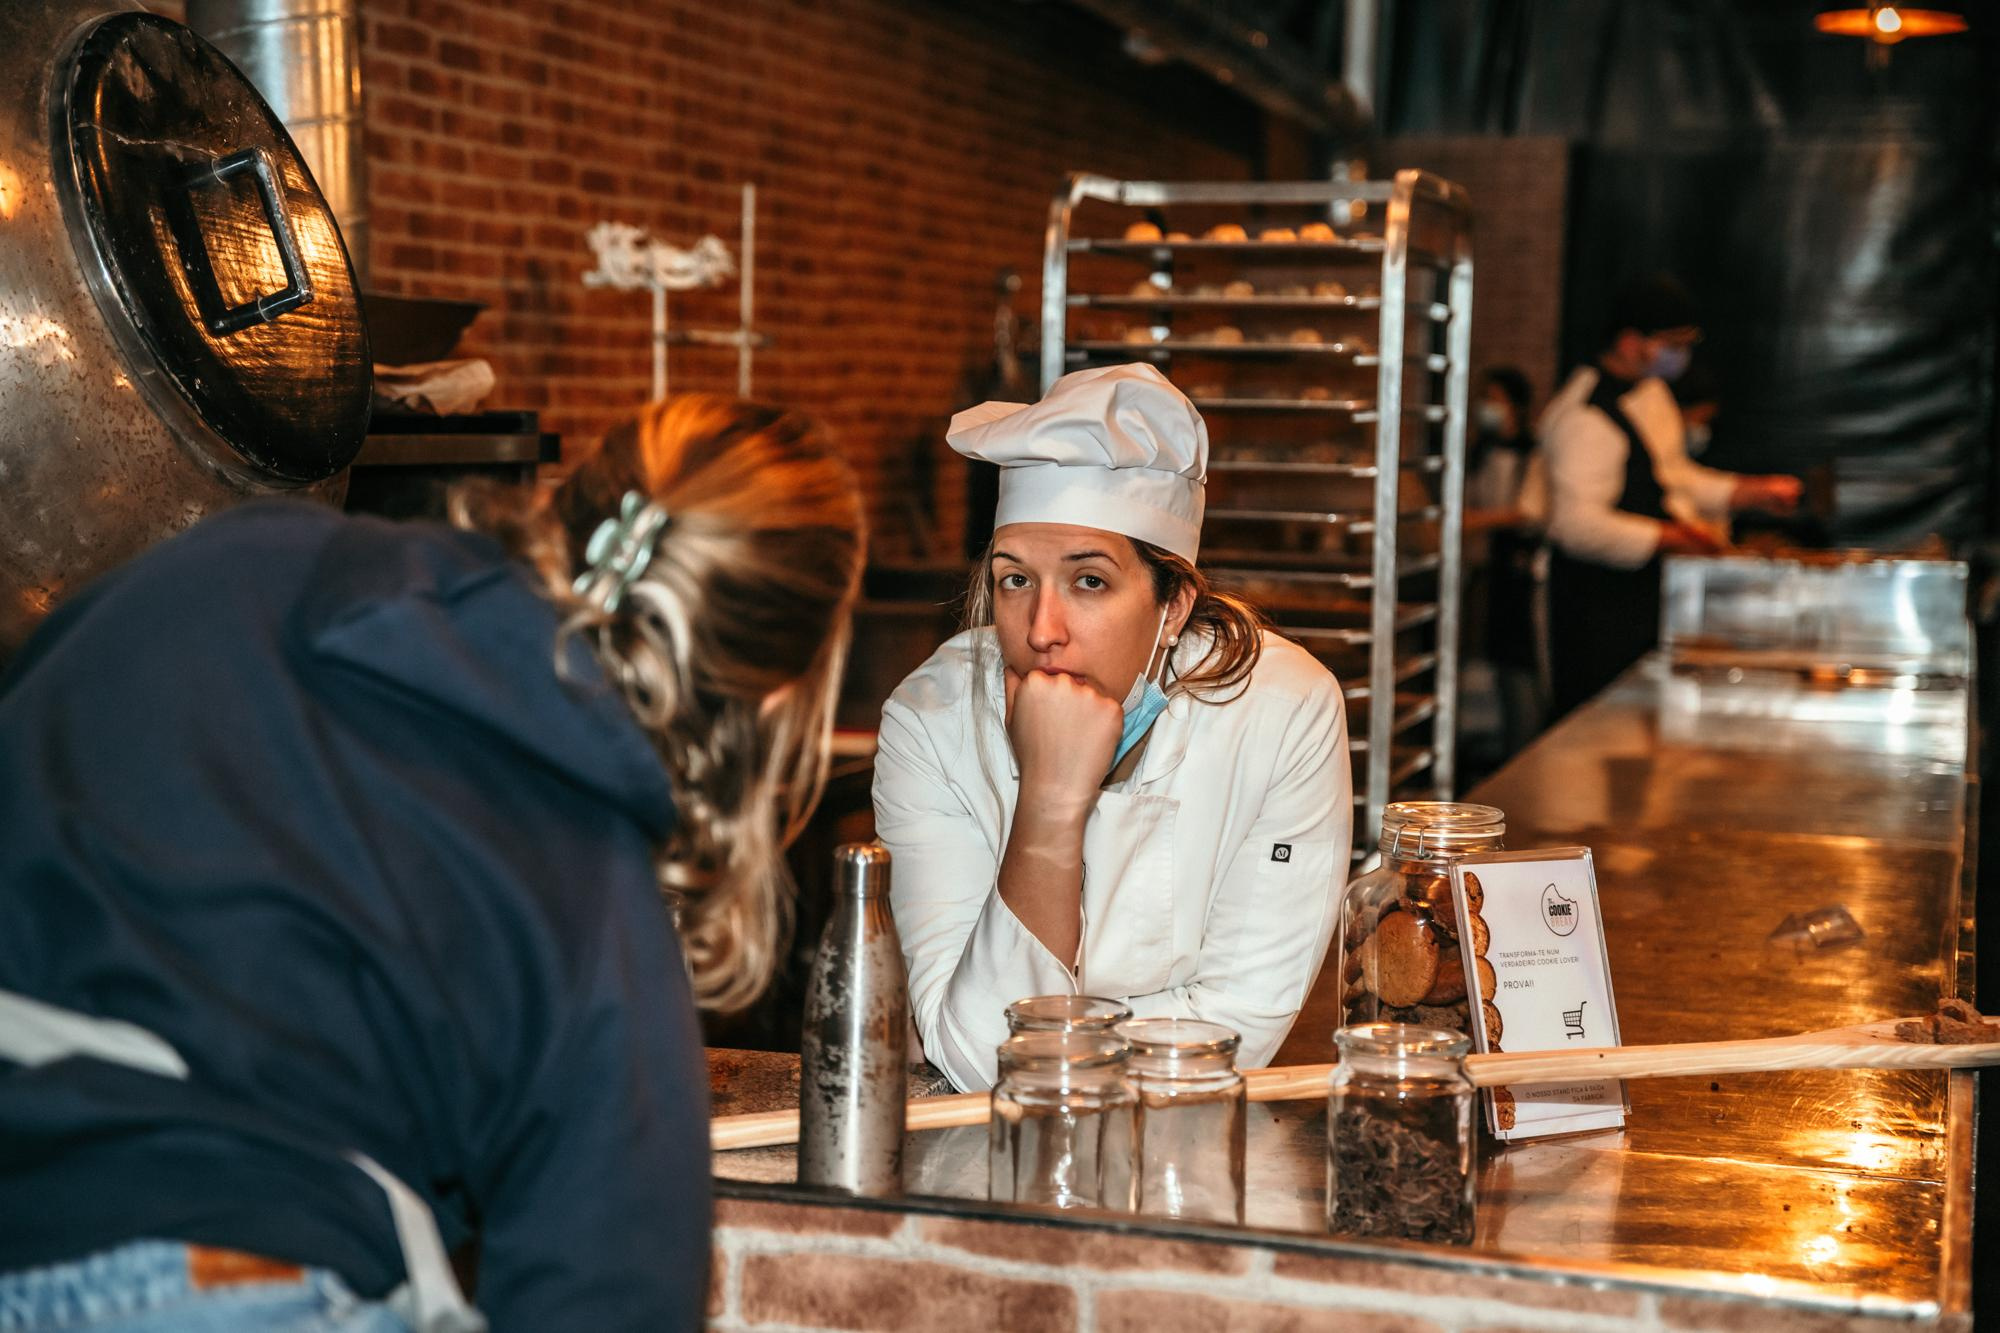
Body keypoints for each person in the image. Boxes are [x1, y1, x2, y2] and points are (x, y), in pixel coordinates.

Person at [0, 396, 866, 1330]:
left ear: (565, 504)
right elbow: (611, 1301)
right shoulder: (594, 900)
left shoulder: (238, 557)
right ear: (778, 700)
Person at [873, 363, 1352, 1092]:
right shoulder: (929, 722)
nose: (1042, 629)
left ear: (1175, 605)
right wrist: (1049, 802)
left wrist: (1050, 1042)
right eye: (1015, 578)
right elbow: (975, 1058)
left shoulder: (1283, 712)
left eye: (1088, 580)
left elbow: (1237, 1029)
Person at [1540, 275, 1799, 717]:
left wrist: (1746, 492)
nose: (1681, 356)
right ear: (1629, 341)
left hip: (1644, 595)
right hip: (1595, 606)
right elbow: (1575, 525)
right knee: (1598, 727)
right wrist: (1668, 536)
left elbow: (1672, 476)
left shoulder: (1650, 393)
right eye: (1671, 343)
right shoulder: (1584, 416)